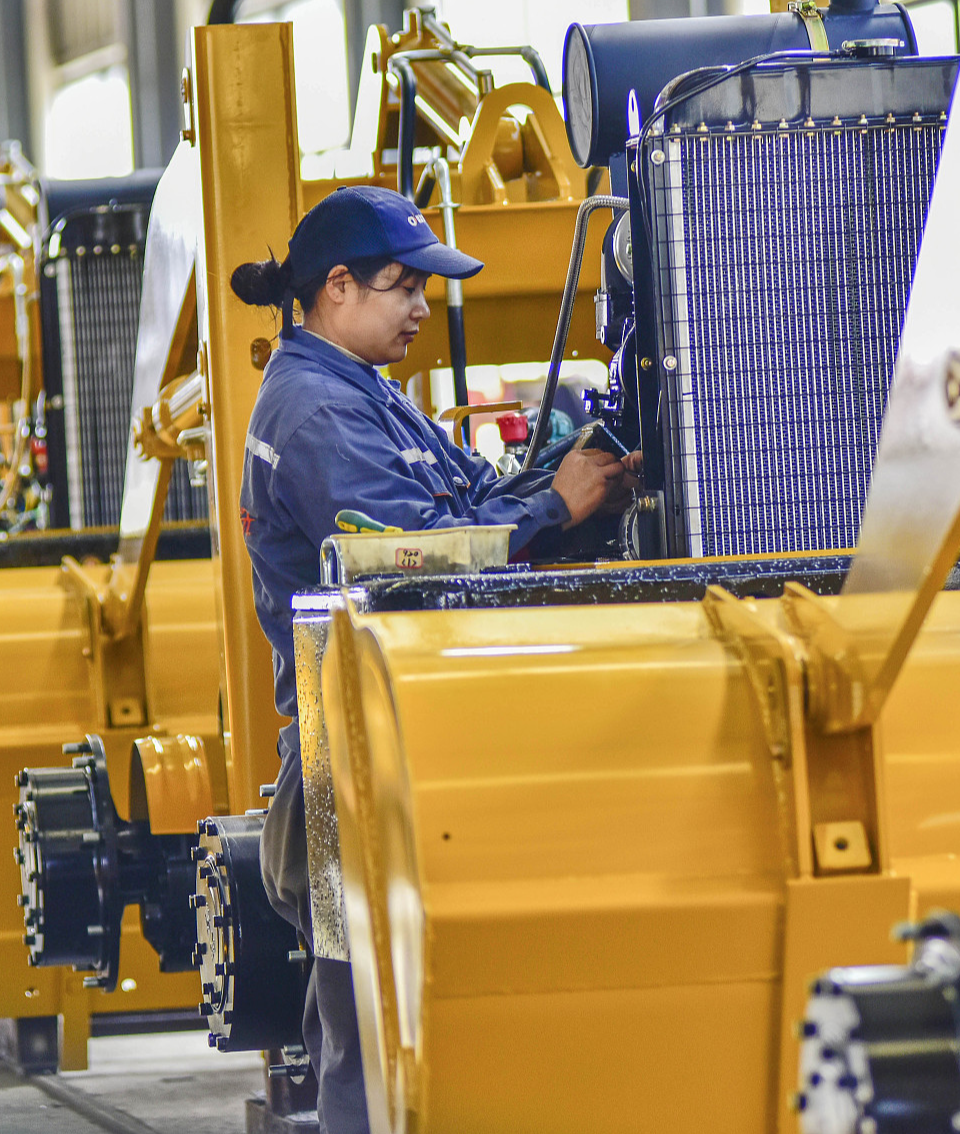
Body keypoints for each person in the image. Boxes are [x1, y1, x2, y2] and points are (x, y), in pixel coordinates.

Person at [228, 185, 635, 1133]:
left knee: (408, 1018)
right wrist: (553, 509)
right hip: (346, 765)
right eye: (403, 287)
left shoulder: (362, 390)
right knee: (365, 1036)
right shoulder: (313, 413)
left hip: (400, 740)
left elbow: (464, 503)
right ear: (336, 286)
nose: (421, 309)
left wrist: (584, 473)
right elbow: (407, 559)